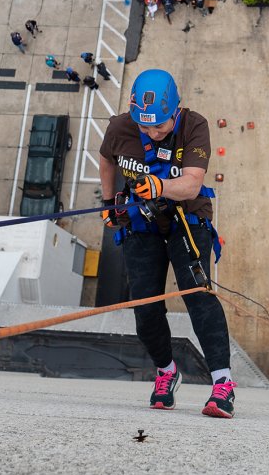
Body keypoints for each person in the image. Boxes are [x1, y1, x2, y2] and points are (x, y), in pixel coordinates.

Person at [98, 69, 237, 418]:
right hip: (141, 220)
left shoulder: (194, 126)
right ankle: (166, 372)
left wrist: (159, 187)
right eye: (144, 127)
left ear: (176, 110)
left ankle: (222, 383)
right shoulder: (120, 128)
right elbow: (106, 158)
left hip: (185, 217)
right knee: (145, 309)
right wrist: (109, 202)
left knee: (197, 296)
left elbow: (190, 184)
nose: (151, 132)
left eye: (159, 126)